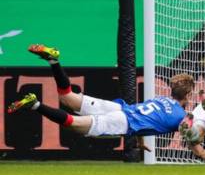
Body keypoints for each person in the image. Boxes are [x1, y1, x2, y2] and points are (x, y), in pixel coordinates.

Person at [9, 44, 195, 153]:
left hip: (119, 109)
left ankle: (54, 60)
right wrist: (202, 152)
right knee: (74, 123)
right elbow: (190, 138)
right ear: (187, 95)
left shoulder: (161, 100)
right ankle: (35, 104)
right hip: (122, 120)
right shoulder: (180, 116)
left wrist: (140, 141)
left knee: (67, 96)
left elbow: (147, 118)